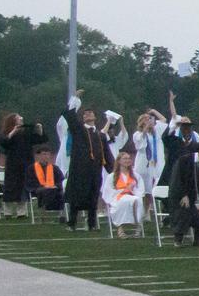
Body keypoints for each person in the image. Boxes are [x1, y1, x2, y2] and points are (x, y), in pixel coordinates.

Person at [61, 92, 109, 231]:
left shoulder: (100, 135)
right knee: (77, 197)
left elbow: (106, 155)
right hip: (79, 170)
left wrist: (112, 171)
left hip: (95, 171)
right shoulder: (79, 130)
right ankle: (72, 223)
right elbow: (69, 115)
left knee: (93, 197)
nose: (87, 115)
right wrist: (75, 99)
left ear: (95, 117)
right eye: (85, 114)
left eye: (90, 113)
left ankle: (92, 224)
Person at [0, 114, 42, 217]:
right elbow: (4, 142)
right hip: (13, 165)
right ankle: (7, 212)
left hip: (26, 164)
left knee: (23, 187)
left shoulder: (26, 133)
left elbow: (39, 139)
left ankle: (21, 212)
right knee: (10, 188)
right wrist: (14, 131)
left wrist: (39, 129)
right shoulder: (7, 133)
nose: (21, 119)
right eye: (18, 118)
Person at [104, 149, 143, 237]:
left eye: (129, 158)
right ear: (119, 161)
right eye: (125, 159)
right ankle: (120, 227)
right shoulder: (112, 176)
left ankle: (138, 226)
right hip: (118, 197)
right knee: (124, 201)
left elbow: (140, 189)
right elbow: (108, 191)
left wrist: (131, 190)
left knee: (137, 200)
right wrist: (123, 191)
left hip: (132, 196)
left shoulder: (136, 176)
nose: (127, 160)